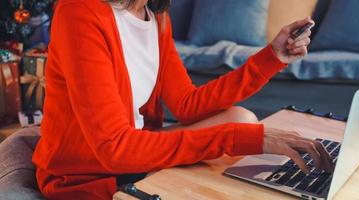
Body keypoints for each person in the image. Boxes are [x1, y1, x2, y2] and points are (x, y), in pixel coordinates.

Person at [32, 0, 333, 199]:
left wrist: (271, 57)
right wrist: (247, 139)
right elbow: (114, 148)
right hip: (86, 173)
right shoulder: (80, 11)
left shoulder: (155, 15)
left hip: (133, 152)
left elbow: (187, 103)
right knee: (242, 133)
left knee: (240, 119)